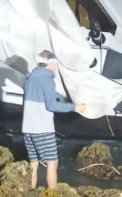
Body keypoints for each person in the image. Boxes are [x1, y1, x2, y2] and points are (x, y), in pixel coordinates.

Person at [21, 50, 86, 189]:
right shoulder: (48, 80)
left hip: (27, 129)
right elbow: (51, 105)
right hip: (43, 130)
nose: (56, 66)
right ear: (50, 63)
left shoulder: (29, 79)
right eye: (55, 63)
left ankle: (30, 190)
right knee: (52, 163)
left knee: (33, 163)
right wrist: (74, 107)